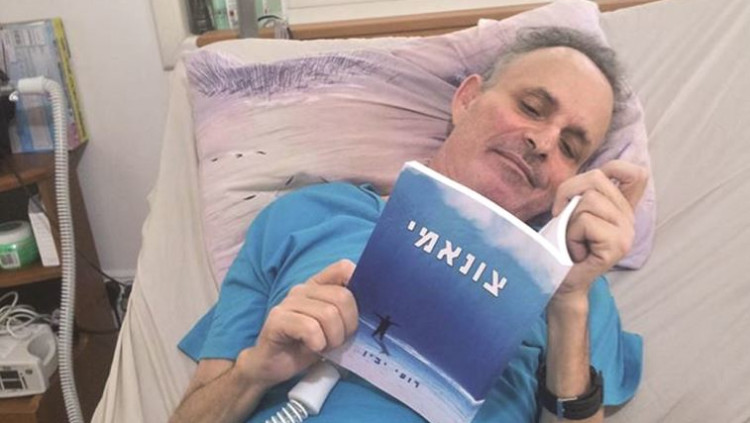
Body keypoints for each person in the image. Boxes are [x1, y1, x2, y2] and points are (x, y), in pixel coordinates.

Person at [171, 27, 647, 423]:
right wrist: (254, 373)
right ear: (467, 100)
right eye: (531, 108)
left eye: (570, 147)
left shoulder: (572, 288)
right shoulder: (307, 214)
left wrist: (568, 302)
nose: (543, 143)